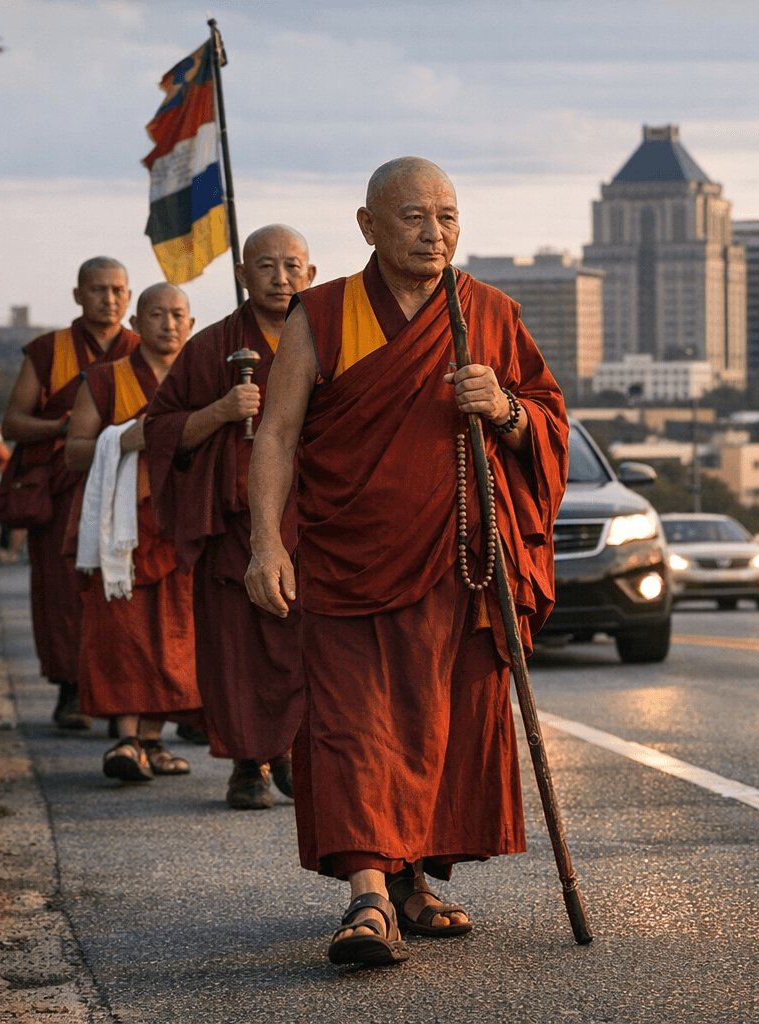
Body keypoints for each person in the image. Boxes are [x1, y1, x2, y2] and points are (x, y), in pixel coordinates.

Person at [244, 158, 569, 967]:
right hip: (347, 558)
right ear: (367, 225)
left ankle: (414, 881)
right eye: (415, 217)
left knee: (440, 727)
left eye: (448, 218)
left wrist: (505, 408)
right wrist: (265, 542)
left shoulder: (487, 313)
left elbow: (547, 419)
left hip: (459, 565)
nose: (434, 234)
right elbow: (276, 435)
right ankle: (367, 897)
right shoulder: (321, 314)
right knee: (354, 727)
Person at [142, 225, 314, 810]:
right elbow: (161, 431)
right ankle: (248, 764)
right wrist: (220, 411)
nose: (280, 277)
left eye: (292, 265)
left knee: (303, 643)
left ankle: (292, 749)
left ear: (311, 275)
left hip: (311, 522)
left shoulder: (330, 340)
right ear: (242, 275)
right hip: (234, 529)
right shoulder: (211, 347)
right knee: (237, 649)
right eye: (265, 266)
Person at [65, 283, 202, 781]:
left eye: (178, 315)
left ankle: (152, 740)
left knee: (174, 635)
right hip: (121, 531)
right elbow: (75, 451)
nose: (168, 324)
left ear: (190, 323)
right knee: (119, 634)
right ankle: (125, 737)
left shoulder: (201, 377)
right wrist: (120, 438)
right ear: (137, 324)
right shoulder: (105, 380)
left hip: (180, 525)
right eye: (157, 315)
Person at [2, 257, 141, 730]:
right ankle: (70, 688)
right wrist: (66, 425)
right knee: (63, 592)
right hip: (68, 485)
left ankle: (136, 693)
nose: (110, 299)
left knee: (130, 589)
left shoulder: (142, 349)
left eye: (118, 290)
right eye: (98, 290)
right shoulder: (48, 349)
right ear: (78, 295)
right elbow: (13, 422)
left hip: (129, 484)